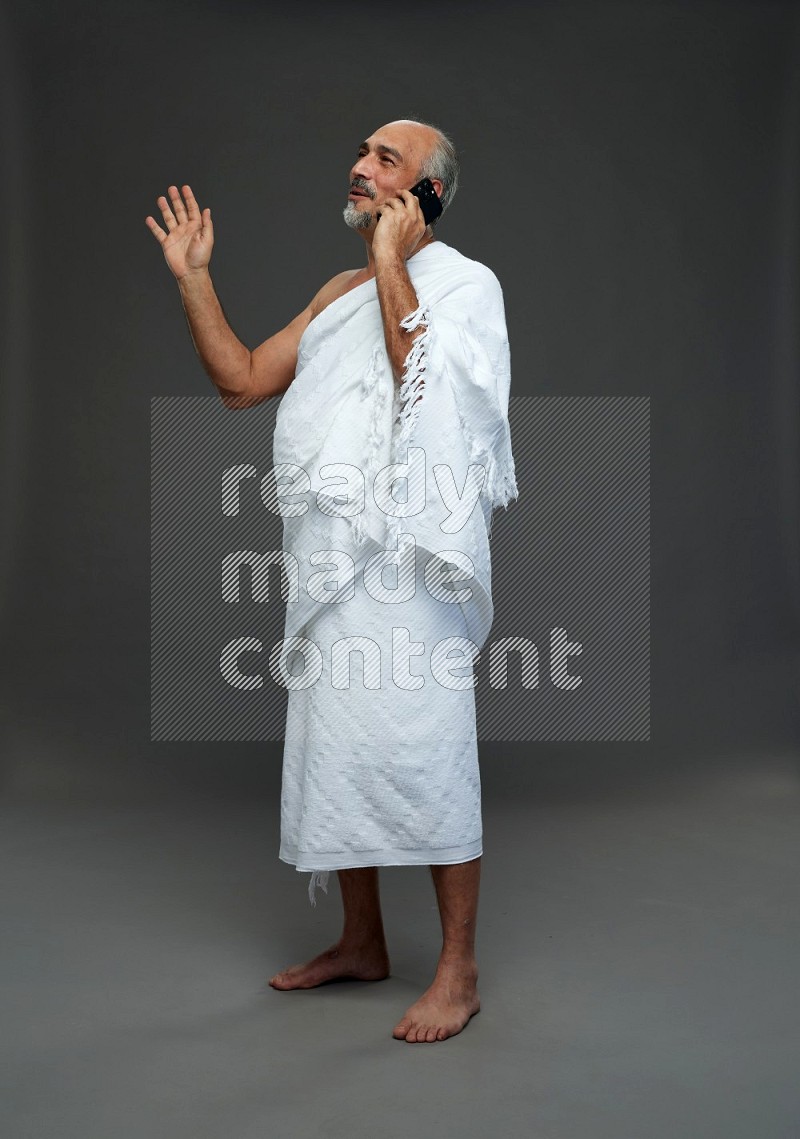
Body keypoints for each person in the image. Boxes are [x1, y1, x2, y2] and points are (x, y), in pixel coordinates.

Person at [145, 118, 517, 1044]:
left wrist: (397, 256)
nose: (360, 167)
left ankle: (459, 970)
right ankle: (360, 941)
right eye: (363, 153)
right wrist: (195, 279)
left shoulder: (466, 286)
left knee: (429, 755)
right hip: (331, 561)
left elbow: (416, 378)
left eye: (387, 160)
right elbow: (239, 380)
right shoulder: (339, 292)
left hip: (413, 564)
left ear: (425, 192)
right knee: (339, 750)